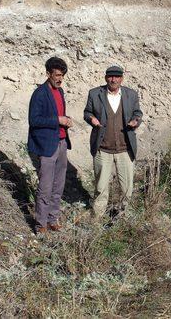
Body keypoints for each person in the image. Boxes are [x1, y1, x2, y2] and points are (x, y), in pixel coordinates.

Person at [83, 65, 143, 218]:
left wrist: (136, 121)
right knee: (101, 188)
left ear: (121, 79)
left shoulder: (131, 94)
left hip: (125, 149)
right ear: (105, 78)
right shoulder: (95, 93)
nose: (113, 79)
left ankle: (123, 218)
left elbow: (137, 113)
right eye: (110, 76)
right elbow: (87, 112)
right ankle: (97, 219)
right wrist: (92, 119)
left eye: (117, 77)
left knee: (127, 188)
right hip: (102, 149)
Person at [27, 57, 73, 234]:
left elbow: (58, 114)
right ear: (48, 74)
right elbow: (34, 120)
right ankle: (41, 224)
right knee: (45, 187)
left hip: (61, 143)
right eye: (57, 75)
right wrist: (58, 120)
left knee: (58, 184)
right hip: (47, 146)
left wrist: (66, 120)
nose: (60, 79)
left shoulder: (60, 92)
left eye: (62, 76)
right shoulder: (39, 93)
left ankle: (53, 218)